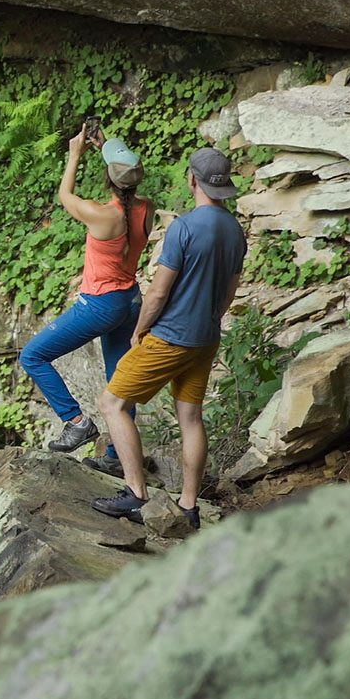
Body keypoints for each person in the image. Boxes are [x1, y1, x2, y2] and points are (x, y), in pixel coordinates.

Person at [91, 148, 247, 529]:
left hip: (170, 337)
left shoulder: (185, 227)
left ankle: (134, 494)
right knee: (191, 417)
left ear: (192, 180)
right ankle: (188, 506)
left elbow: (159, 293)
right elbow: (230, 290)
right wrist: (210, 319)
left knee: (112, 403)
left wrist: (141, 329)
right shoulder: (234, 229)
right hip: (205, 338)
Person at [19, 125, 153, 468]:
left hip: (101, 304)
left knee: (33, 356)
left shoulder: (101, 214)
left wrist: (75, 154)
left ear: (108, 179)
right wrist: (105, 146)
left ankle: (76, 423)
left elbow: (65, 196)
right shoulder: (146, 209)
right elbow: (124, 181)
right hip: (131, 301)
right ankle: (115, 458)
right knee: (119, 379)